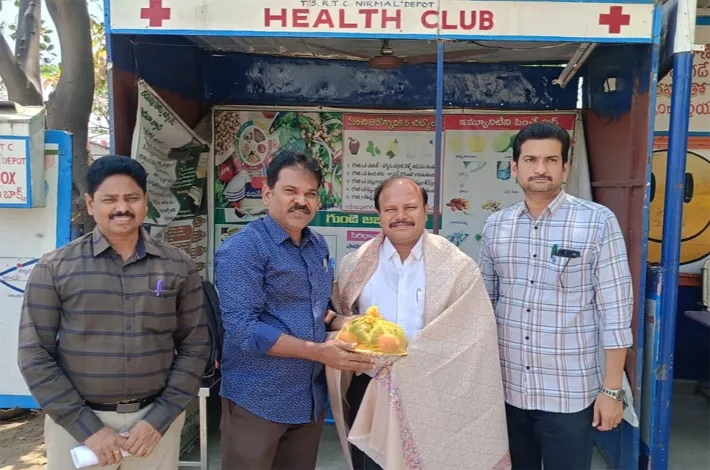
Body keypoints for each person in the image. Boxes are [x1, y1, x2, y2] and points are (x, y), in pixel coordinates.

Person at [18, 155, 209, 469]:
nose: (122, 208)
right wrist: (87, 428)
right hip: (77, 427)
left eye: (132, 198)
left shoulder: (178, 266)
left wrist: (159, 419)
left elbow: (195, 346)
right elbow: (34, 354)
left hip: (153, 427)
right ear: (90, 204)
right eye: (110, 200)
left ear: (145, 200)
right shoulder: (55, 267)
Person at [326, 177, 510, 470]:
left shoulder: (457, 267)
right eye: (391, 209)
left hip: (437, 392)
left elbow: (474, 335)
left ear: (426, 211)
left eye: (410, 207)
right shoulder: (354, 265)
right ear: (379, 215)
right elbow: (338, 317)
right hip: (371, 388)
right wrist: (344, 324)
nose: (401, 216)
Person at [478, 122, 633, 470]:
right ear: (515, 167)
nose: (541, 169)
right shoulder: (496, 226)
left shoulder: (597, 222)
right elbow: (484, 305)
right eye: (530, 160)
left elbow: (616, 311)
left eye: (551, 160)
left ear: (565, 168)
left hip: (569, 392)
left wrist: (612, 390)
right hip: (508, 389)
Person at [214, 149, 374, 470]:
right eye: (291, 191)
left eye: (310, 193)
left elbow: (313, 309)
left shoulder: (317, 246)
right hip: (257, 400)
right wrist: (318, 352)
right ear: (267, 194)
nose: (301, 201)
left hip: (307, 401)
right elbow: (244, 330)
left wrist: (343, 322)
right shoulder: (243, 249)